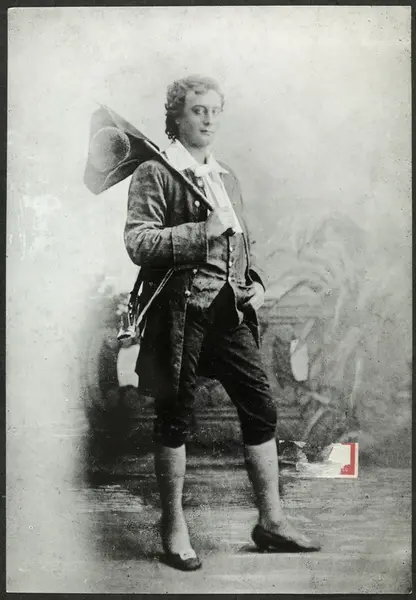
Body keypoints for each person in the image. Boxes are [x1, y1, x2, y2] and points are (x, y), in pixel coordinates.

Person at [124, 75, 320, 571]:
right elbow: (138, 242)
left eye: (215, 111)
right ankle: (173, 527)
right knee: (175, 416)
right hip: (178, 313)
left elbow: (239, 244)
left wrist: (254, 282)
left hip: (228, 311)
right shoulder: (156, 172)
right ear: (176, 117)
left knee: (261, 408)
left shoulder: (224, 176)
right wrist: (200, 231)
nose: (209, 120)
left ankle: (271, 521)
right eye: (198, 110)